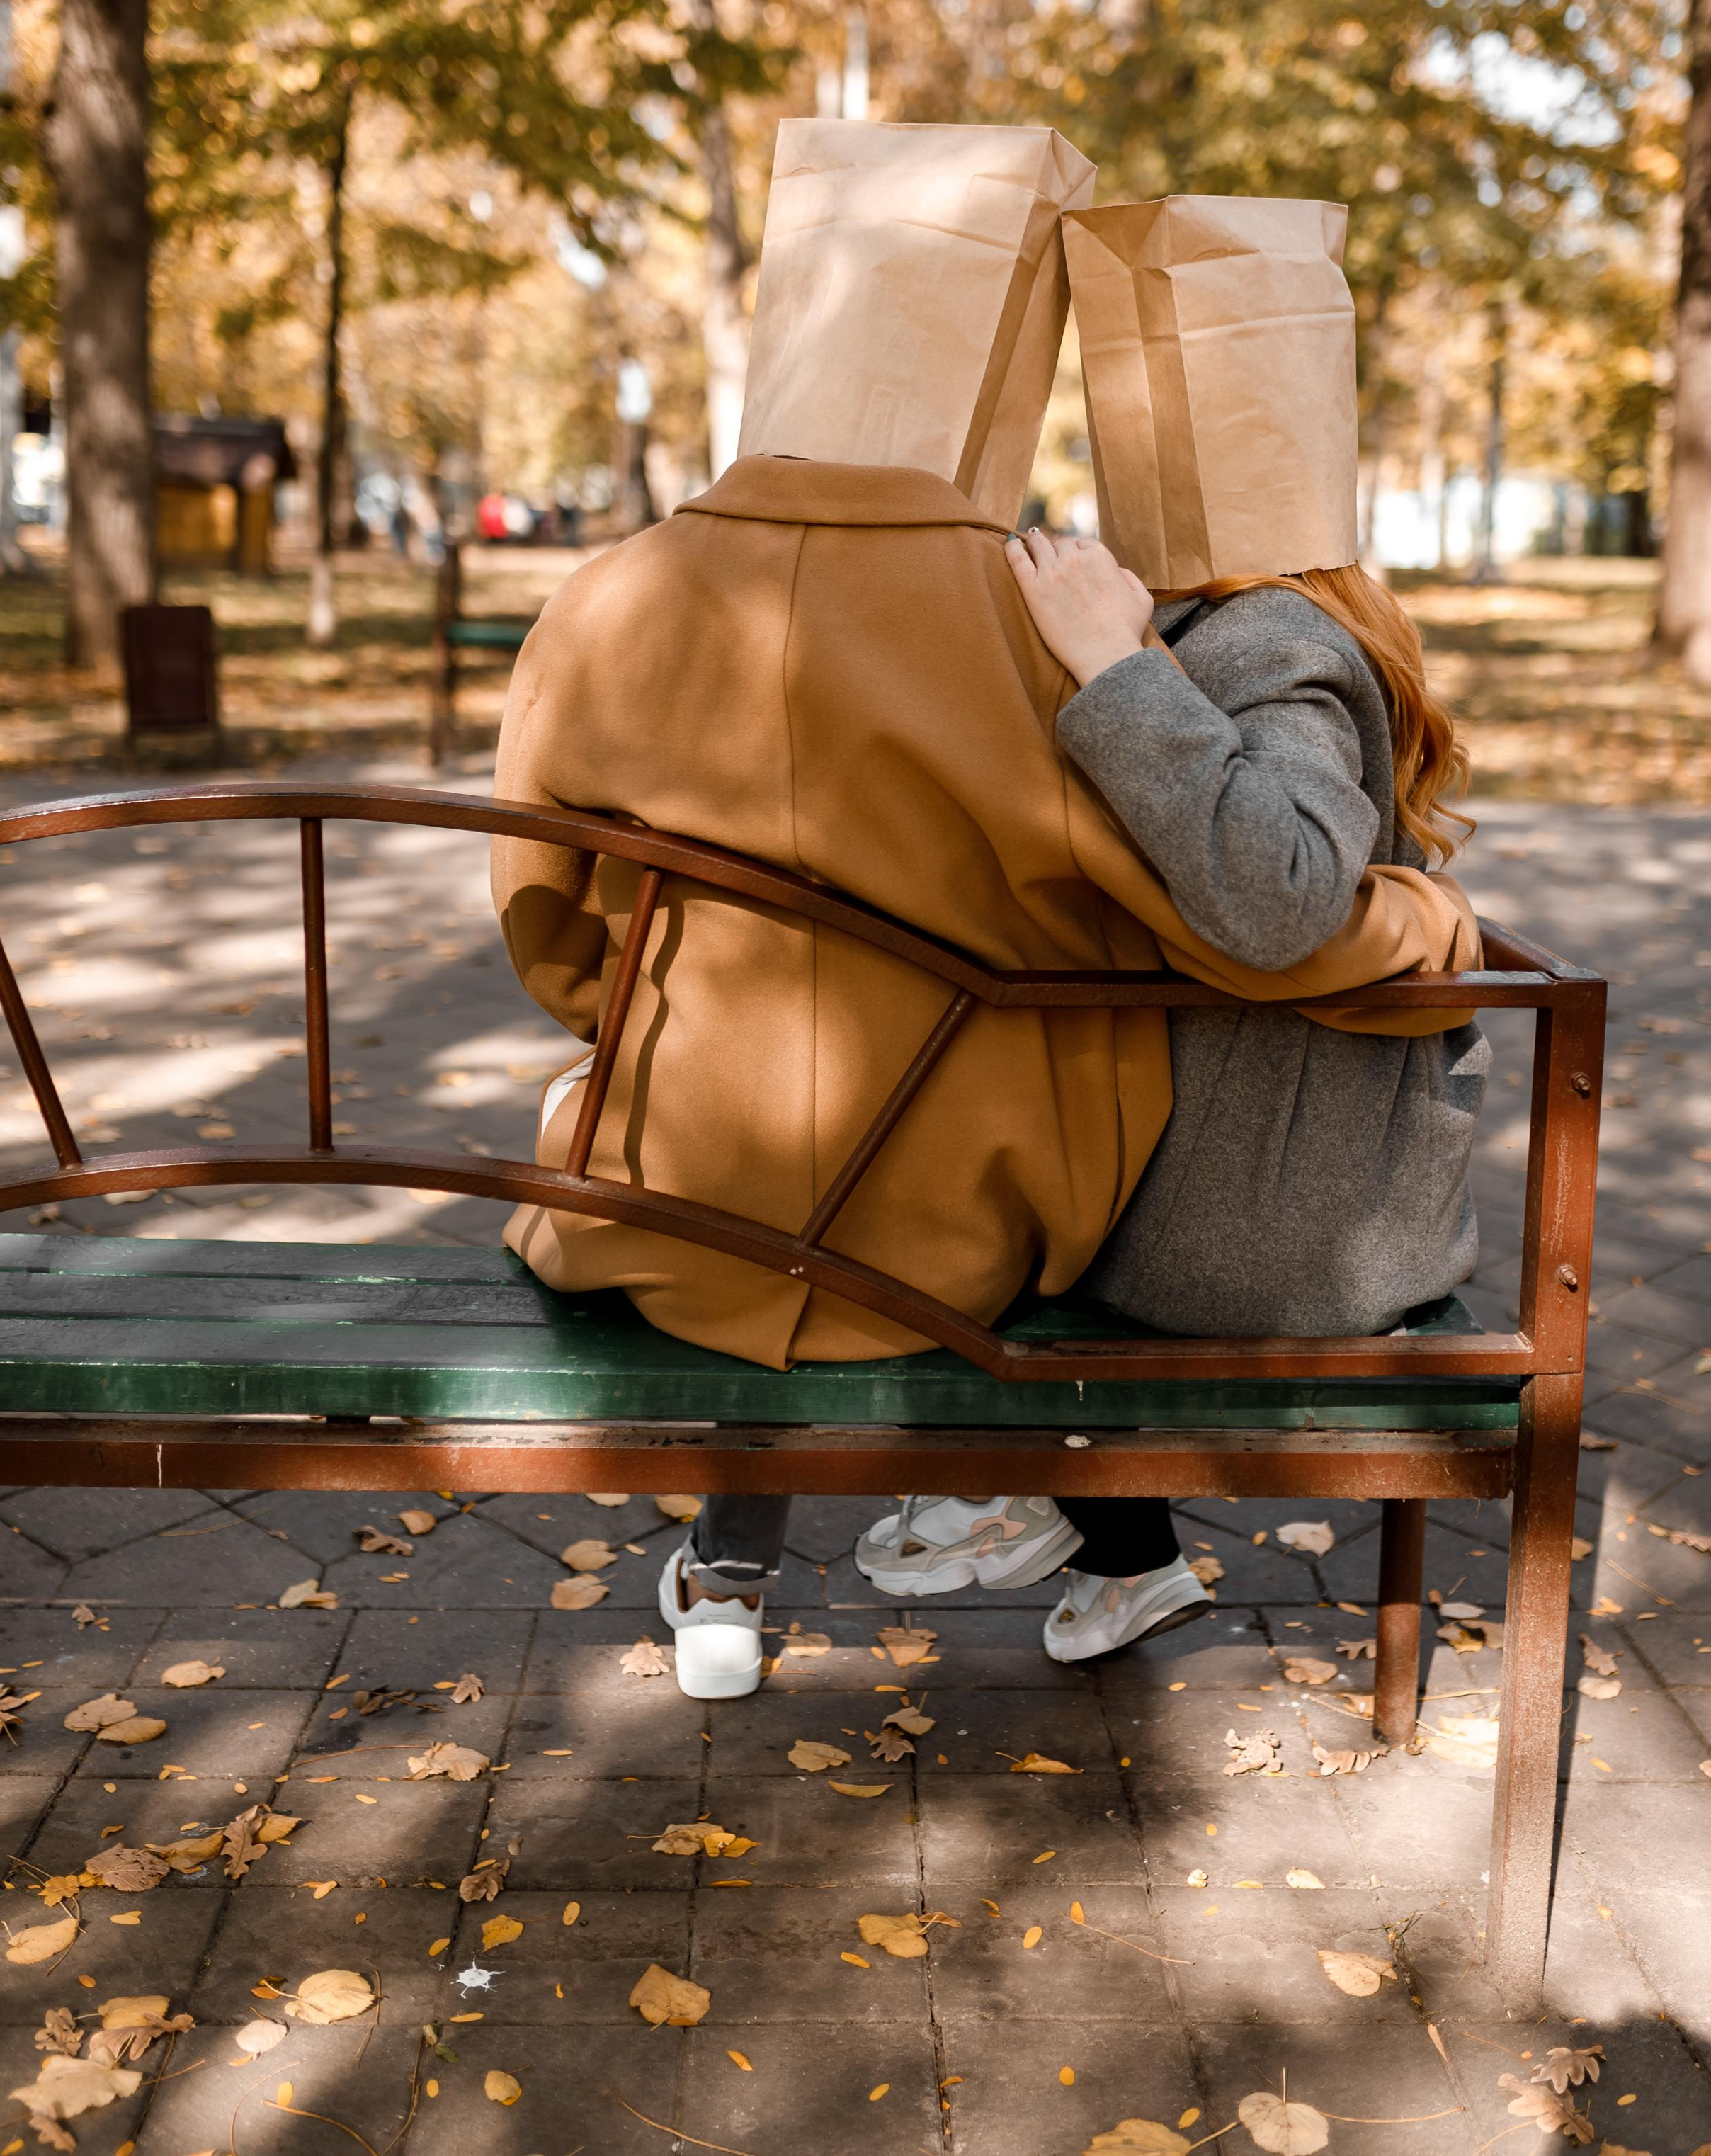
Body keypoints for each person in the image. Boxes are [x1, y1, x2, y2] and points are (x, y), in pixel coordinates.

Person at [491, 142, 1481, 1696]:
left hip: (661, 1209)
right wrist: (1426, 928)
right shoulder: (1027, 624)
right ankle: (1104, 1558)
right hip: (972, 1220)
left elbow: (542, 914)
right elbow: (1144, 910)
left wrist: (611, 1042)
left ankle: (742, 1570)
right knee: (963, 1107)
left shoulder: (608, 589)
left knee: (756, 1126)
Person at [853, 193, 1491, 1663]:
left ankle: (1013, 1485)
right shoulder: (1269, 617)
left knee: (947, 1187)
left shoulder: (1271, 636)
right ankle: (1112, 1547)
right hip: (1286, 1188)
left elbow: (1275, 899)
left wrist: (1106, 660)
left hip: (1278, 1234)